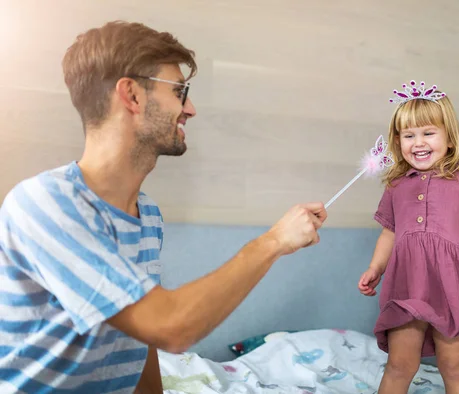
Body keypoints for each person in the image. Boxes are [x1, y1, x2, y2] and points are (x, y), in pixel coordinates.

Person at [0, 21, 326, 394]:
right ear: (132, 96)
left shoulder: (148, 216)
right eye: (180, 91)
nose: (190, 109)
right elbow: (169, 326)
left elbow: (140, 339)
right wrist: (273, 242)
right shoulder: (45, 204)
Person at [357, 80, 459, 394]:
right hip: (407, 286)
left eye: (428, 133)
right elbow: (389, 232)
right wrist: (376, 268)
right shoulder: (396, 186)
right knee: (399, 365)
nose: (418, 142)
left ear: (448, 137)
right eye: (408, 135)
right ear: (397, 140)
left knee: (454, 367)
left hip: (453, 288)